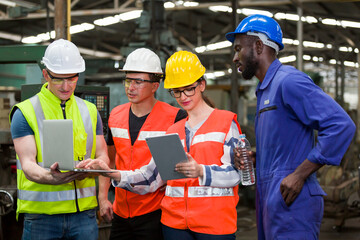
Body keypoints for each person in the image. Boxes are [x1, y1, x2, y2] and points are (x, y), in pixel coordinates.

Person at [78, 50, 243, 240]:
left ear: (202, 84)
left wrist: (201, 171)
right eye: (176, 91)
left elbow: (237, 174)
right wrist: (107, 172)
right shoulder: (174, 130)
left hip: (214, 225)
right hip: (174, 224)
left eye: (188, 88)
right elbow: (150, 178)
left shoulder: (225, 122)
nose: (183, 97)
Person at [226, 14, 356, 239]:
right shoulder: (265, 90)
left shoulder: (289, 81)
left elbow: (341, 125)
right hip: (271, 196)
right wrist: (258, 156)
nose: (235, 58)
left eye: (238, 49)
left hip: (292, 200)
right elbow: (285, 142)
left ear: (258, 45)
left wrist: (299, 174)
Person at [9, 39, 109, 240]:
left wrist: (97, 166)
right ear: (46, 74)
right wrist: (51, 177)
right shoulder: (25, 112)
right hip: (42, 219)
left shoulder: (89, 111)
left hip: (84, 215)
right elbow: (28, 164)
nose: (66, 86)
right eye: (58, 79)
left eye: (72, 78)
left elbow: (103, 154)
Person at [98, 48, 187, 240]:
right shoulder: (115, 115)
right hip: (121, 212)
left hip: (156, 213)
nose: (131, 87)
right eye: (128, 80)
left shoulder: (175, 118)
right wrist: (103, 198)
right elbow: (110, 160)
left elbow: (178, 172)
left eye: (138, 82)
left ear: (155, 85)